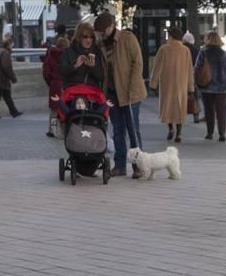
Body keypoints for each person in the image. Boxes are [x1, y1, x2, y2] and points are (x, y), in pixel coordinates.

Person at [93, 11, 147, 178]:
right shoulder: (101, 43)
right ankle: (120, 166)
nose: (102, 33)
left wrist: (132, 88)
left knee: (133, 130)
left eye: (104, 30)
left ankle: (139, 167)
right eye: (99, 31)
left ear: (111, 26)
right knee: (117, 130)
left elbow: (137, 64)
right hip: (112, 93)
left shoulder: (127, 38)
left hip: (130, 93)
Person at [149, 27, 194, 144]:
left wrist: (153, 84)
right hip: (181, 84)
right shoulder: (186, 50)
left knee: (167, 107)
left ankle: (170, 128)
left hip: (167, 83)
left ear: (171, 36)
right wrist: (190, 87)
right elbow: (190, 70)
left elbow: (157, 67)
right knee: (180, 108)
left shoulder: (164, 49)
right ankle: (179, 132)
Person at [195, 31, 226, 141]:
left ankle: (210, 133)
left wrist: (196, 82)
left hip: (207, 86)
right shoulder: (225, 54)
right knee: (221, 111)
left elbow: (197, 68)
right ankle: (222, 134)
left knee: (209, 110)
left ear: (208, 39)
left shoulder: (203, 52)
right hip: (222, 87)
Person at [60, 22, 104, 89]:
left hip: (92, 92)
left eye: (91, 37)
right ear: (79, 37)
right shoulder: (68, 51)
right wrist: (75, 65)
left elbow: (101, 77)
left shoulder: (96, 52)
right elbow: (62, 72)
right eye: (85, 37)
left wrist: (93, 68)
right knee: (79, 99)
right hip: (73, 92)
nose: (88, 40)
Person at [0, 34, 23, 119]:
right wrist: (13, 78)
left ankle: (14, 112)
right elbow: (7, 67)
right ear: (8, 45)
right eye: (11, 44)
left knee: (6, 96)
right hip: (2, 79)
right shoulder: (6, 53)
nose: (12, 45)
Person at [43, 36, 70, 136]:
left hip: (55, 84)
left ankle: (52, 131)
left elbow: (46, 73)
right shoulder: (68, 56)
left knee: (54, 109)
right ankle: (64, 130)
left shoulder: (51, 56)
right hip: (65, 85)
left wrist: (51, 82)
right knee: (65, 108)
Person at [182, 31, 201, 123]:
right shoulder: (197, 50)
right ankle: (196, 114)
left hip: (182, 76)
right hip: (193, 76)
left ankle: (181, 115)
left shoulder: (181, 49)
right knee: (194, 96)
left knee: (182, 96)